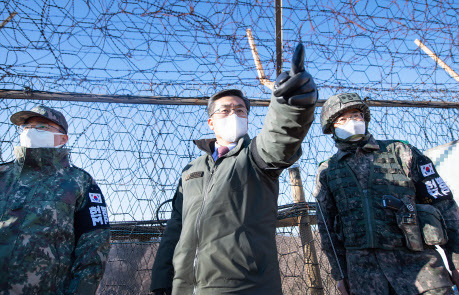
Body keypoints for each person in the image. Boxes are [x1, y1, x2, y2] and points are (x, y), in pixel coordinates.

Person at [150, 43, 317, 295]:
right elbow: (176, 227)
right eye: (225, 110)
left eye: (240, 110)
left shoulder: (256, 157)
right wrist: (162, 279)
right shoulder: (191, 171)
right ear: (211, 121)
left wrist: (291, 108)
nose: (234, 114)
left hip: (246, 287)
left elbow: (279, 139)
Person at [314, 92, 459, 295]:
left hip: (422, 272)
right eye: (343, 119)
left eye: (356, 115)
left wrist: (457, 263)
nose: (352, 122)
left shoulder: (402, 152)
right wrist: (340, 275)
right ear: (332, 128)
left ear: (364, 119)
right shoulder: (328, 171)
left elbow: (444, 206)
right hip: (365, 279)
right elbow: (327, 229)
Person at [0, 105, 111, 294]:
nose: (30, 132)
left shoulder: (80, 182)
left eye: (41, 126)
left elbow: (94, 248)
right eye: (26, 127)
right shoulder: (3, 176)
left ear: (62, 138)